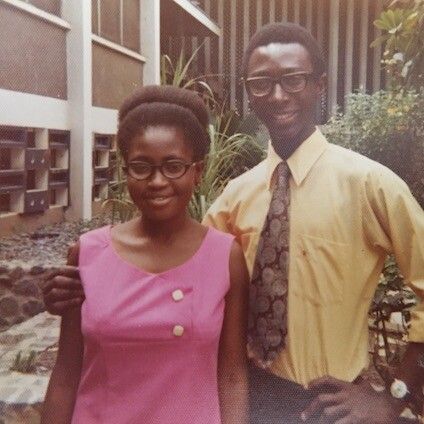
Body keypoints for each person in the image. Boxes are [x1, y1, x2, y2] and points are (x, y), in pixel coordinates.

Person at [43, 24, 424, 424]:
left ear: (320, 85)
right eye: (262, 83)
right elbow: (180, 280)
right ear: (249, 93)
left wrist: (393, 397)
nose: (278, 95)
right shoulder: (236, 197)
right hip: (245, 396)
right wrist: (80, 292)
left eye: (293, 79)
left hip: (327, 405)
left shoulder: (369, 185)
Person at [41, 85, 249, 424]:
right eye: (141, 166)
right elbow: (66, 373)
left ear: (197, 172)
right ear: (125, 171)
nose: (156, 181)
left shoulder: (225, 258)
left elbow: (232, 377)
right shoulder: (89, 253)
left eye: (173, 166)